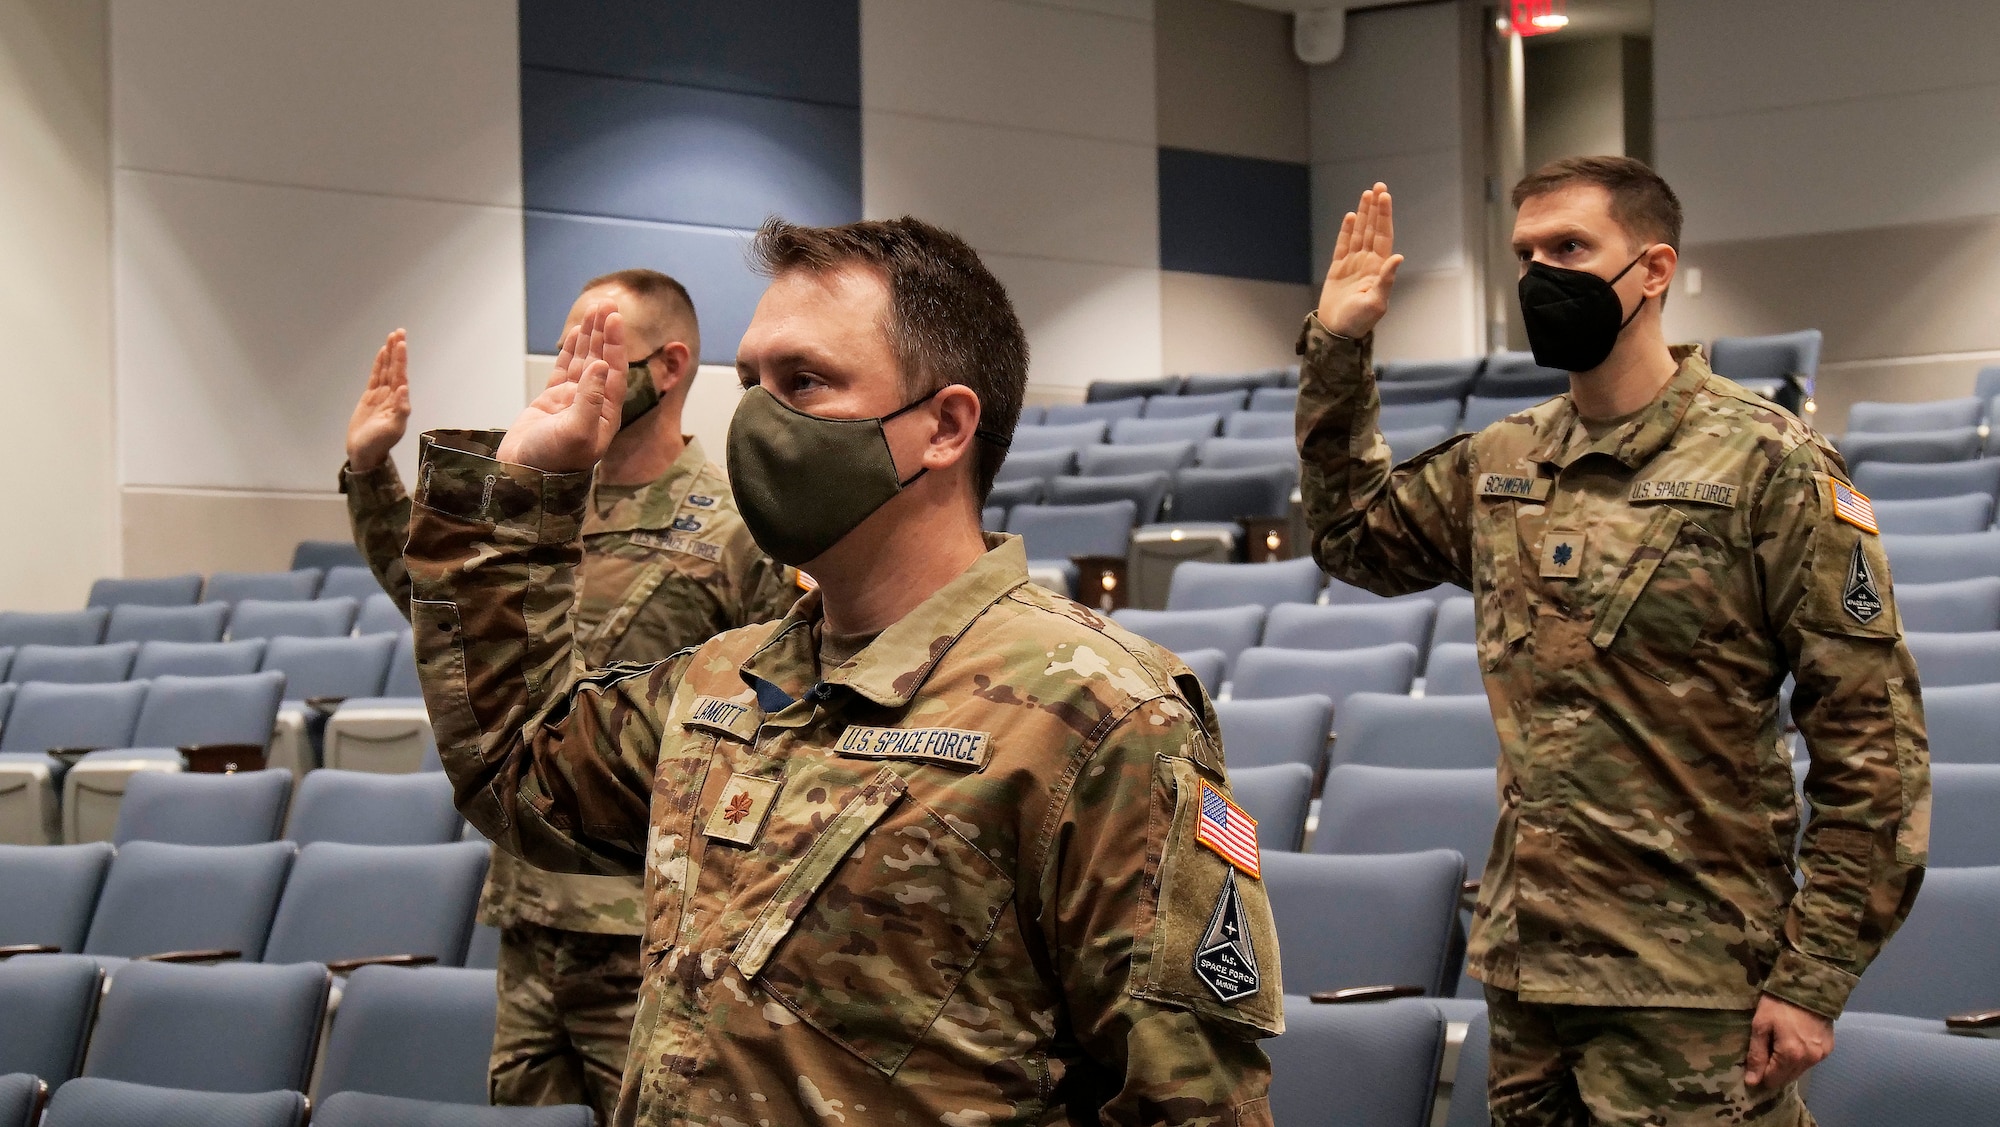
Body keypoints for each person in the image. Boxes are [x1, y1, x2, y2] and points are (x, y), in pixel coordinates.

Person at [402, 217, 1283, 1127]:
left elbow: (1194, 1105)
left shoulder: (1101, 714)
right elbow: (516, 772)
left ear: (943, 425)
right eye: (750, 382)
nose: (756, 417)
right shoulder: (721, 682)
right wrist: (517, 503)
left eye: (804, 382)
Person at [1296, 159, 1928, 1126]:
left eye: (1571, 249)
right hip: (1530, 974)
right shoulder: (1504, 460)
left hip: (1695, 984)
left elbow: (1872, 749)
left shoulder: (1771, 466)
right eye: (1526, 254)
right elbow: (1350, 535)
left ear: (1655, 267)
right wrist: (1338, 346)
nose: (1542, 273)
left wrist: (1813, 977)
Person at [340, 268, 799, 1122]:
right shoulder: (548, 508)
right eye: (563, 347)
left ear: (668, 367)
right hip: (531, 911)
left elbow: (783, 724)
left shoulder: (737, 524)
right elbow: (449, 613)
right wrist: (371, 473)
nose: (571, 366)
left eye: (597, 347)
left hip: (652, 931)